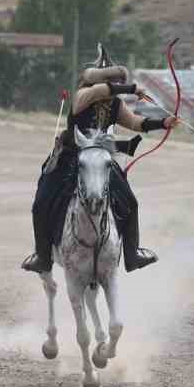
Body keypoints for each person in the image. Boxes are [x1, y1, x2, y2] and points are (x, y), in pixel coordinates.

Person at [21, 48, 179, 274]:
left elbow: (135, 122)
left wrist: (163, 123)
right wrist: (131, 88)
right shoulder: (83, 96)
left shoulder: (114, 104)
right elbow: (99, 90)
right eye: (112, 81)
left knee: (130, 203)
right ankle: (43, 257)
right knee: (41, 203)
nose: (114, 87)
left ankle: (132, 255)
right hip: (69, 157)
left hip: (101, 159)